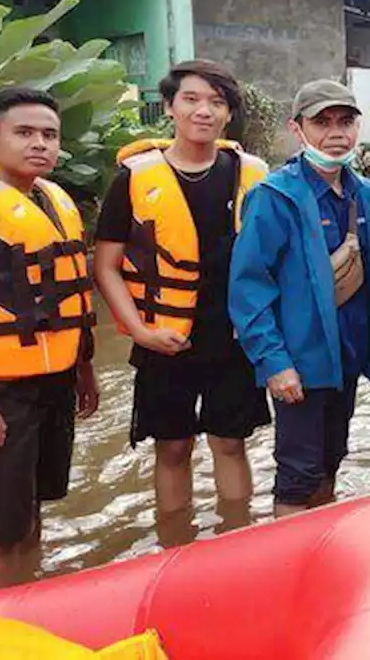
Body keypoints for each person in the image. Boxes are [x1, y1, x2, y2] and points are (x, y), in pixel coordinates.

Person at [93, 60, 270, 537]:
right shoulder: (132, 179)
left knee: (231, 444)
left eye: (216, 102)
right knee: (171, 447)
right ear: (169, 107)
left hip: (234, 336)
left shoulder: (252, 174)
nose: (204, 111)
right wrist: (141, 332)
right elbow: (105, 266)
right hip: (164, 336)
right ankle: (175, 546)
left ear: (228, 114)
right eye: (191, 99)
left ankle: (236, 538)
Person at [229, 80, 370, 517]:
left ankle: (321, 546)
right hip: (300, 363)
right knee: (296, 475)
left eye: (345, 121)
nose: (336, 133)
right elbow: (248, 289)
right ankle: (292, 568)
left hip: (349, 357)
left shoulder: (367, 194)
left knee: (332, 457)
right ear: (297, 130)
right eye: (322, 122)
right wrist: (274, 363)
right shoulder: (274, 197)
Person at [0, 88, 98, 590]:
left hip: (53, 384)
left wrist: (84, 371)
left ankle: (28, 611)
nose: (39, 144)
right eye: (23, 133)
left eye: (49, 135)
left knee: (29, 513)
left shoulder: (53, 200)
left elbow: (69, 299)